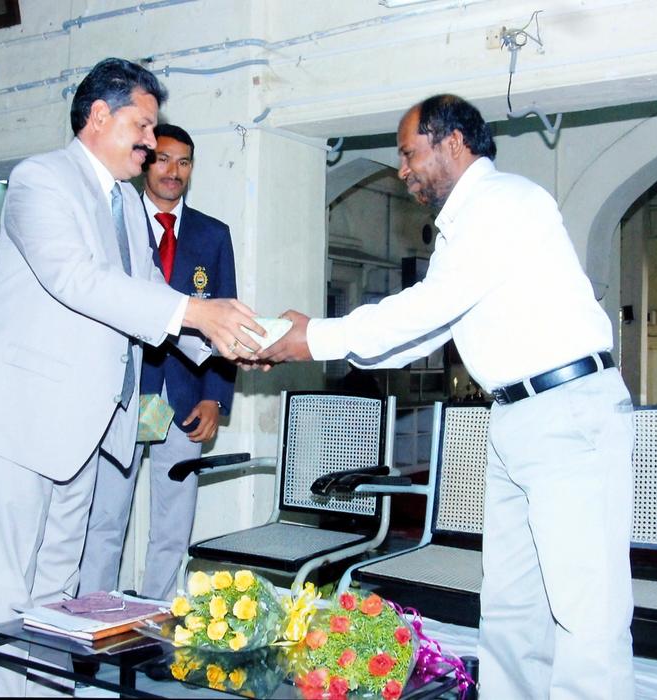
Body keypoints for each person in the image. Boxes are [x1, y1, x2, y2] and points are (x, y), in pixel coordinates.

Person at [260, 94, 634, 699]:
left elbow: (429, 308)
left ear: (452, 142)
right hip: (517, 417)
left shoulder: (504, 202)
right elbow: (423, 335)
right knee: (511, 606)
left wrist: (319, 337)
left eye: (410, 154)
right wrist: (311, 342)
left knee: (585, 613)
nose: (402, 169)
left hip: (567, 412)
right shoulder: (463, 230)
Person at [0, 57, 261, 694]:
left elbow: (149, 297)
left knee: (58, 593)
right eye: (141, 126)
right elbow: (77, 279)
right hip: (16, 421)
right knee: (4, 594)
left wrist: (226, 342)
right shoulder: (41, 180)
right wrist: (198, 311)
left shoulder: (124, 203)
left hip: (85, 428)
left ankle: (47, 692)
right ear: (97, 116)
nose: (150, 141)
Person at [79, 124, 238, 600]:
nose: (174, 171)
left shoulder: (213, 234)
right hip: (128, 393)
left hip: (186, 396)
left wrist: (215, 397)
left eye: (183, 162)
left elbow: (222, 317)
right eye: (164, 159)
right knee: (107, 514)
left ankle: (157, 612)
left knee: (174, 518)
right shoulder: (115, 221)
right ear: (145, 162)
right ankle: (95, 611)